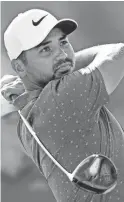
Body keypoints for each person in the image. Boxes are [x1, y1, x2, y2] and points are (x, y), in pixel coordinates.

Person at [1, 9, 124, 202]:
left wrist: (25, 80)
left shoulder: (25, 120)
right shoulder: (64, 97)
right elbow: (118, 53)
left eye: (63, 42)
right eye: (45, 49)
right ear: (19, 67)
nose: (62, 55)